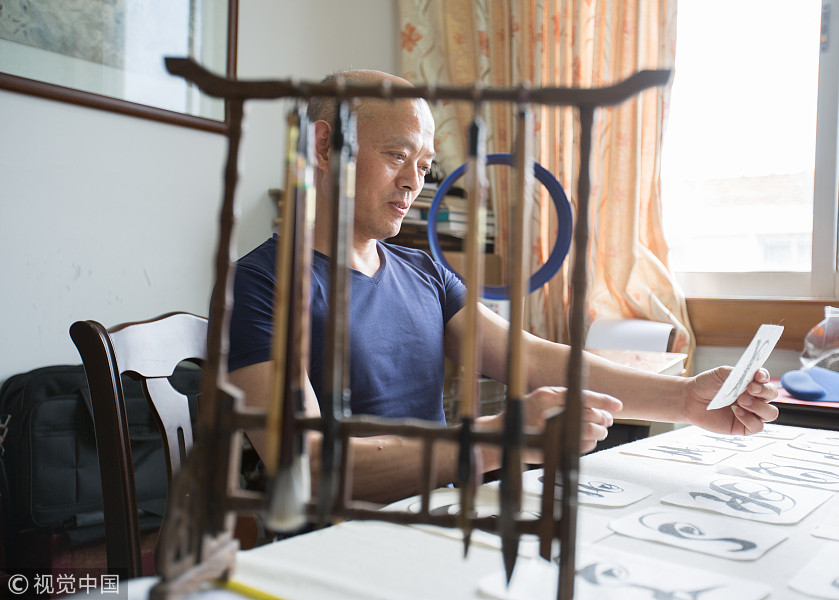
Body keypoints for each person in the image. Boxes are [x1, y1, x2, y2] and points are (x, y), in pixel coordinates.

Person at [228, 69, 779, 505]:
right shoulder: (262, 284)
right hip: (335, 547)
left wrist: (683, 399)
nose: (412, 181)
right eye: (397, 155)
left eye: (423, 165)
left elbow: (533, 360)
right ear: (324, 147)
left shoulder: (424, 273)